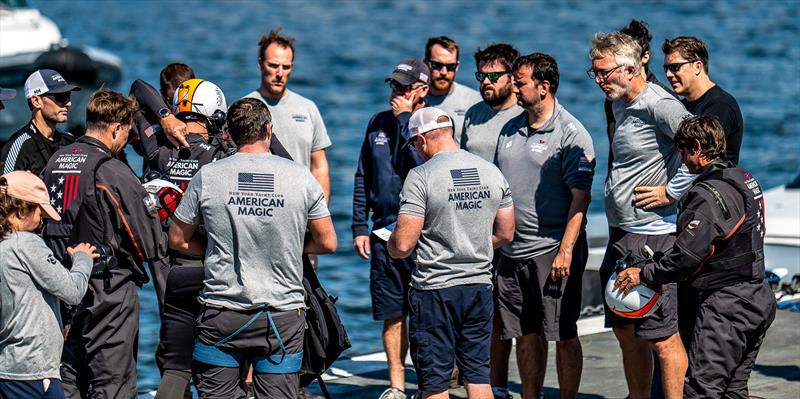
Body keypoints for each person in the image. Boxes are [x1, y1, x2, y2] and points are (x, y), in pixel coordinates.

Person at [168, 98, 337, 398]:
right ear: (268, 130)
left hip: (221, 313)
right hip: (281, 317)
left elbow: (178, 239)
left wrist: (213, 250)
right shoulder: (300, 177)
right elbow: (327, 242)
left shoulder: (208, 176)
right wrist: (291, 244)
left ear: (230, 134)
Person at [615, 115, 776, 399]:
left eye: (682, 151)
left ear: (698, 148)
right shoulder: (742, 177)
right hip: (759, 297)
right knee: (734, 391)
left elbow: (686, 258)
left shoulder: (705, 194)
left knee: (701, 391)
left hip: (727, 305)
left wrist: (644, 274)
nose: (682, 159)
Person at [588, 32, 694, 399]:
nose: (599, 80)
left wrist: (671, 191)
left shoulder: (659, 104)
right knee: (623, 326)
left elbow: (702, 147)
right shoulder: (620, 103)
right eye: (595, 73)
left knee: (663, 337)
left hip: (654, 236)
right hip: (621, 234)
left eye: (603, 73)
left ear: (631, 68)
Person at [42, 89, 165, 398]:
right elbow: (147, 242)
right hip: (105, 289)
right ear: (115, 129)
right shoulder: (110, 169)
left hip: (60, 287)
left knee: (67, 379)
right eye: (126, 133)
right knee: (114, 385)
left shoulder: (57, 160)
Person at [387, 107, 515, 399]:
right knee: (479, 378)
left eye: (415, 146)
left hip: (436, 290)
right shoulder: (491, 171)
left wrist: (391, 247)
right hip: (479, 287)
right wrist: (471, 243)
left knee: (435, 385)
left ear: (421, 140)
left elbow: (404, 244)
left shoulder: (421, 176)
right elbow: (506, 233)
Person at [494, 53, 595, 399]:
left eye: (519, 82)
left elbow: (581, 199)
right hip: (511, 251)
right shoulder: (509, 127)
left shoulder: (571, 134)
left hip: (553, 249)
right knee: (525, 333)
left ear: (544, 86)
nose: (513, 87)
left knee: (563, 333)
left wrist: (565, 250)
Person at [352, 58, 430, 399]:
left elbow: (424, 167)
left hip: (422, 236)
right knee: (392, 313)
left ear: (422, 90)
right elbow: (362, 176)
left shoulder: (431, 124)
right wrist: (358, 224)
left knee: (427, 314)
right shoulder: (377, 123)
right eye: (394, 86)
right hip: (382, 232)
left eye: (404, 87)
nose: (395, 93)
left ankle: (429, 384)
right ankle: (397, 386)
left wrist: (404, 120)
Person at [150, 78, 230, 399]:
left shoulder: (161, 149)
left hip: (175, 270)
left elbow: (140, 89)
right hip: (212, 272)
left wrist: (164, 116)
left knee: (176, 367)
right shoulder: (221, 157)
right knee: (220, 368)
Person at [0, 171, 97, 399]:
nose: (42, 220)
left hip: (9, 367)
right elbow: (73, 291)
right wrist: (82, 258)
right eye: (40, 211)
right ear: (23, 209)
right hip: (34, 372)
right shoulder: (26, 244)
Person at [243, 28, 332, 203]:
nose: (280, 73)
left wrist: (320, 212)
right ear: (260, 64)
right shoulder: (244, 107)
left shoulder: (308, 108)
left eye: (286, 67)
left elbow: (319, 167)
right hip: (258, 207)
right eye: (273, 65)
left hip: (300, 208)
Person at [603, 20, 673, 178]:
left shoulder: (663, 99)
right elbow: (614, 150)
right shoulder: (613, 99)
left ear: (645, 57)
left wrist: (670, 192)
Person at [662, 36, 744, 165]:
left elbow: (702, 161)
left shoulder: (722, 106)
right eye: (666, 68)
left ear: (697, 66)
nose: (668, 74)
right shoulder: (680, 107)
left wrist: (668, 187)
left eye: (675, 67)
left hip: (713, 183)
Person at [0, 69, 80, 176]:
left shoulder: (69, 141)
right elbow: (5, 188)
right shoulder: (20, 146)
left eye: (68, 96)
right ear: (36, 101)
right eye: (60, 97)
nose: (69, 103)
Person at [128, 63, 196, 173]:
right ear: (162, 95)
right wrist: (167, 117)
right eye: (172, 101)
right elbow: (138, 86)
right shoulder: (151, 116)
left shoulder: (205, 116)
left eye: (184, 102)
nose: (178, 108)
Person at [461, 43, 522, 163]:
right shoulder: (473, 114)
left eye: (493, 75)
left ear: (512, 77)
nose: (486, 81)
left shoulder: (526, 115)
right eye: (481, 76)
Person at [423, 36, 481, 143]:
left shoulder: (474, 101)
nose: (444, 72)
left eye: (450, 66)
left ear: (457, 66)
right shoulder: (413, 99)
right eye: (437, 65)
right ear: (426, 64)